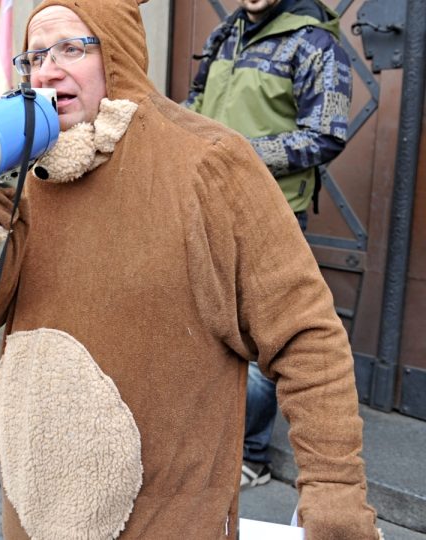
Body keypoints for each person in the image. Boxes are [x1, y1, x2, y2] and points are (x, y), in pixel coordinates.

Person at [0, 1, 377, 538]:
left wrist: (334, 495)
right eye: (34, 55)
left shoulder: (211, 163)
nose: (47, 71)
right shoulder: (35, 166)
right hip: (34, 512)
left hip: (166, 520)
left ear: (119, 53)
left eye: (72, 48)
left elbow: (307, 338)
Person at [183, 0, 352, 490]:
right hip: (207, 204)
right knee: (204, 324)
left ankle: (251, 454)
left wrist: (239, 154)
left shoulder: (316, 43)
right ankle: (207, 439)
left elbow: (326, 134)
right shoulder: (224, 34)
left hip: (271, 213)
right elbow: (195, 104)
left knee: (265, 336)